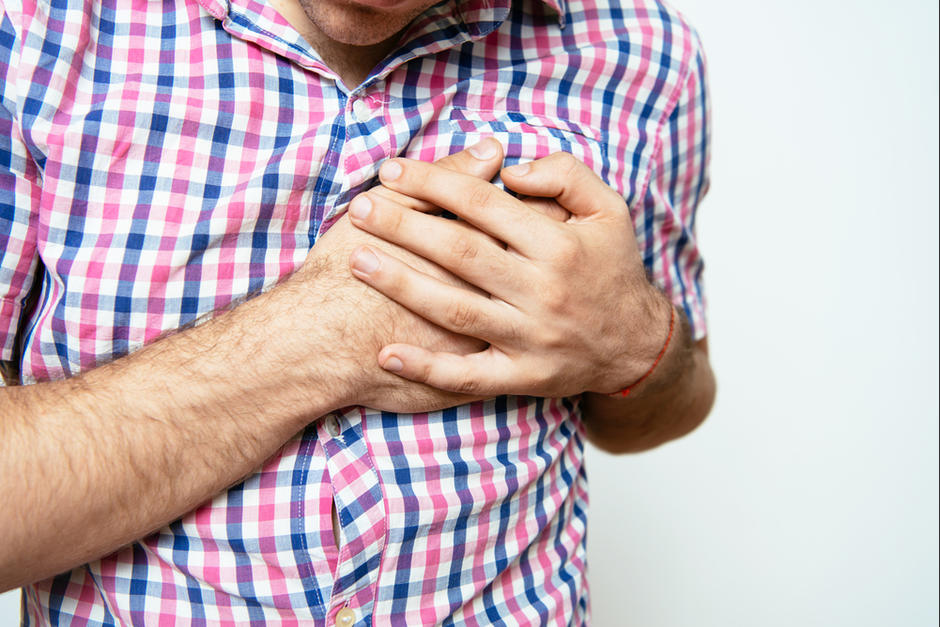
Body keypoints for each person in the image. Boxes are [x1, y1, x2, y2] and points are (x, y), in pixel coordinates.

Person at [0, 0, 715, 623]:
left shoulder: (647, 52)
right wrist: (325, 333)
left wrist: (635, 340)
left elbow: (673, 400)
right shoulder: (36, 27)